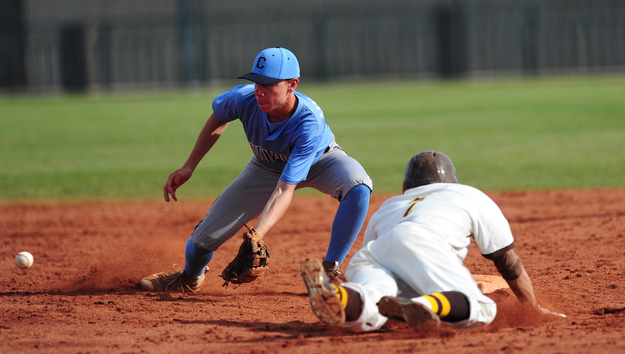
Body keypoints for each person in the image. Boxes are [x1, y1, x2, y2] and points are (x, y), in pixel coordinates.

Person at [141, 47, 373, 293]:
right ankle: (189, 277)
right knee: (201, 242)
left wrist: (257, 235)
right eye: (256, 82)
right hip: (266, 166)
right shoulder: (244, 98)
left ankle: (330, 269)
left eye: (270, 85)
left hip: (321, 161)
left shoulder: (309, 123)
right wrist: (189, 166)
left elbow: (285, 189)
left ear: (292, 85)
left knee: (357, 184)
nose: (260, 91)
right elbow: (219, 116)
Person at [301, 150, 564, 331]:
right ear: (451, 181)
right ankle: (423, 305)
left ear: (408, 187)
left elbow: (375, 258)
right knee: (482, 308)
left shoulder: (389, 205)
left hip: (373, 254)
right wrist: (532, 308)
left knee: (373, 303)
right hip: (424, 243)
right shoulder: (469, 194)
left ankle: (340, 296)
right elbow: (507, 262)